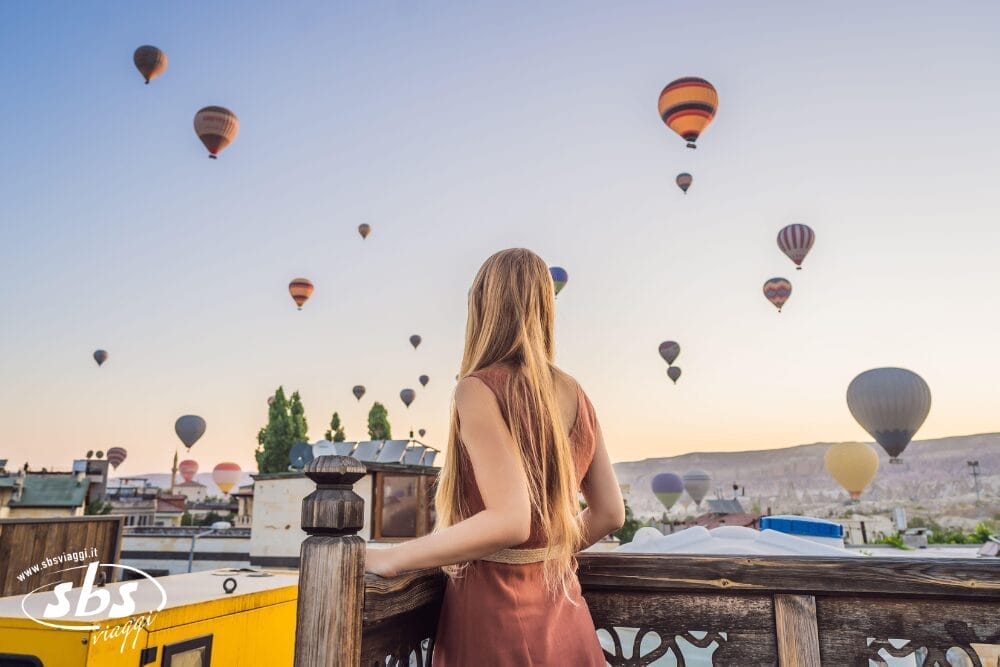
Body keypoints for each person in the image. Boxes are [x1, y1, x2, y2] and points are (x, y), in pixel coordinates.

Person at [365, 248, 625, 665]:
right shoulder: (576, 393)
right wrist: (547, 548)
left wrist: (392, 558)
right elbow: (610, 513)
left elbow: (509, 520)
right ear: (545, 306)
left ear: (482, 306)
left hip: (493, 614)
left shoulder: (477, 388)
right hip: (565, 612)